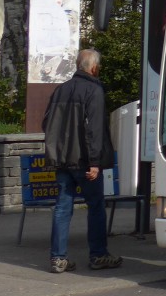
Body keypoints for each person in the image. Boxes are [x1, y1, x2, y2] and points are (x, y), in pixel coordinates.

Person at [41, 48, 122, 273]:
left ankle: (58, 258)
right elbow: (94, 129)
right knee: (96, 207)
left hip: (62, 160)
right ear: (94, 68)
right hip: (85, 161)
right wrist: (95, 162)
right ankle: (98, 255)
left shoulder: (61, 90)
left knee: (62, 207)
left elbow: (47, 124)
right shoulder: (93, 91)